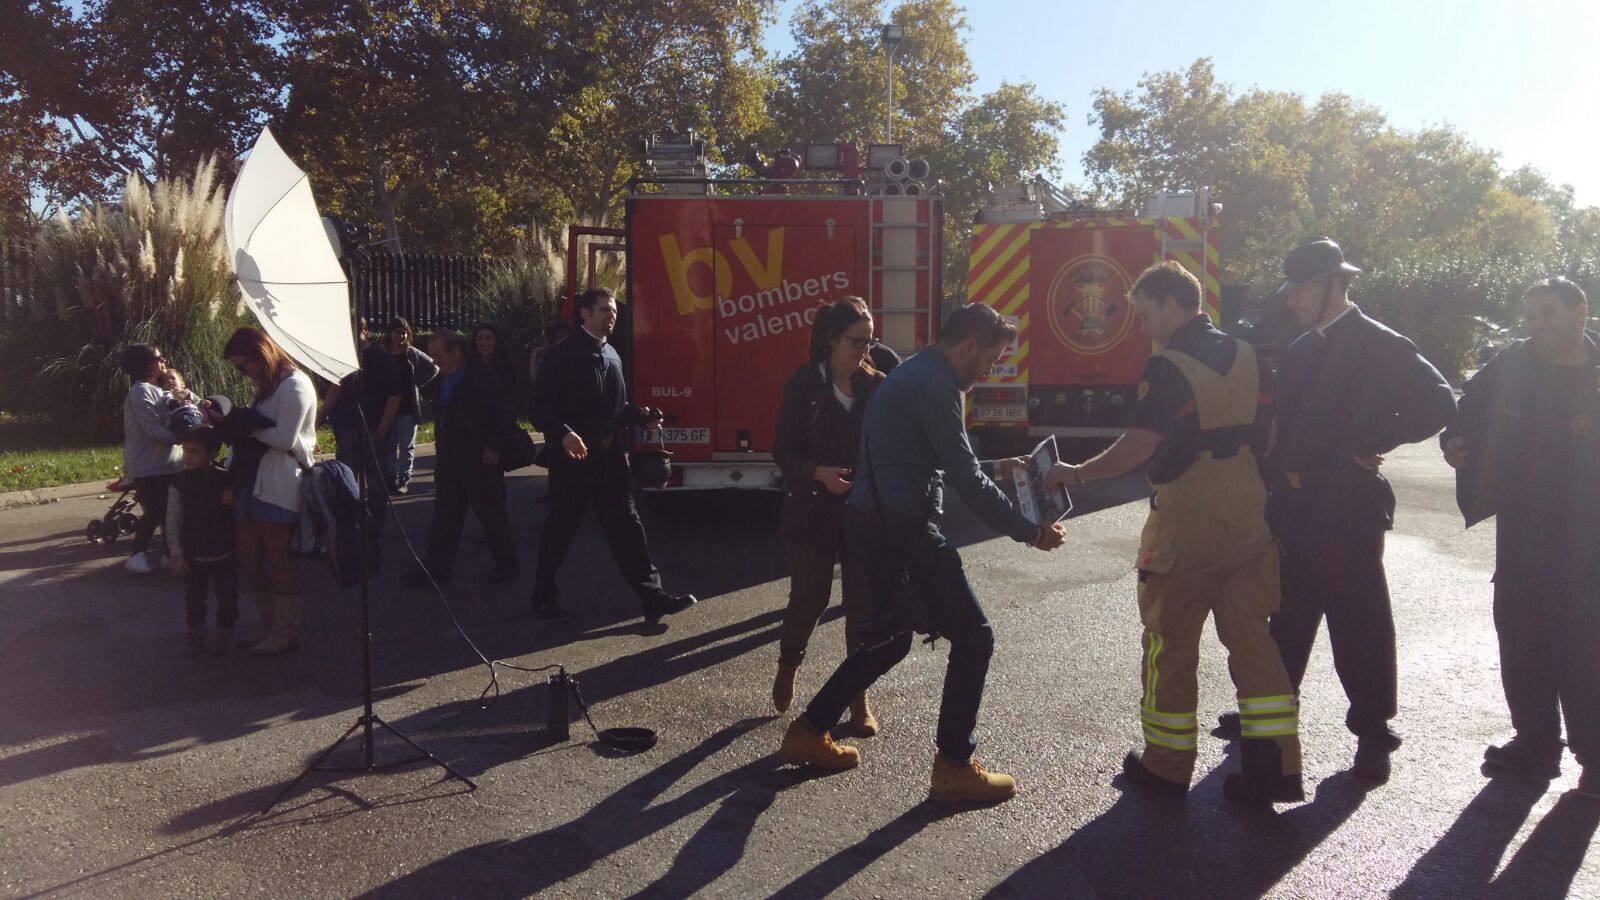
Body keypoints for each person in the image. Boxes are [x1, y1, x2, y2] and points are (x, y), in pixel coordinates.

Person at [776, 303, 1067, 805]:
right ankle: (954, 765)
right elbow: (964, 479)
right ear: (969, 346)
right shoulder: (936, 385)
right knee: (975, 638)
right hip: (901, 528)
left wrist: (1001, 466)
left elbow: (934, 462)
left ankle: (809, 730)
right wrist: (1031, 532)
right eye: (991, 358)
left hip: (875, 522)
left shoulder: (914, 372)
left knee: (890, 642)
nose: (990, 369)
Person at [1043, 262, 1303, 805]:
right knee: (1256, 643)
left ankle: (1165, 768)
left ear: (1171, 304)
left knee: (1170, 643)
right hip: (1251, 512)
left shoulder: (1167, 365)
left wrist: (1078, 473)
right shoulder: (1251, 354)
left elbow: (1139, 445)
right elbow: (1273, 431)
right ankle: (1276, 768)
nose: (1143, 327)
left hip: (1189, 517)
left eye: (1144, 315)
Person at [1252, 237, 1456, 783]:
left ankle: (1372, 733)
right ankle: (1270, 726)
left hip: (1347, 509)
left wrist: (1367, 442)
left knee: (1358, 626)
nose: (1292, 301)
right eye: (1290, 291)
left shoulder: (1379, 343)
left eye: (1301, 291)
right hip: (1295, 509)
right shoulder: (1298, 350)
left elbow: (1439, 402)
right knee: (1286, 619)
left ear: (1333, 286)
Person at [1442, 277, 1599, 798]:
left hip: (1588, 534)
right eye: (1531, 316)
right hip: (1524, 526)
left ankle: (1595, 755)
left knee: (1584, 642)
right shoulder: (1513, 362)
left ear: (1582, 311)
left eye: (1549, 314)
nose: (1538, 326)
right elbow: (1466, 412)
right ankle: (1535, 745)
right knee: (1521, 631)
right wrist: (1456, 443)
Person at [528, 287, 696, 625]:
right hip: (573, 460)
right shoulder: (562, 356)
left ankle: (653, 598)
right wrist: (563, 434)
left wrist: (642, 414)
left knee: (628, 528)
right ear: (585, 314)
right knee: (561, 529)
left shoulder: (612, 355)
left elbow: (616, 409)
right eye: (604, 309)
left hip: (609, 459)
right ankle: (543, 596)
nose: (612, 314)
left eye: (614, 309)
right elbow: (537, 407)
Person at [771, 297, 886, 735]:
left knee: (862, 610)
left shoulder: (877, 386)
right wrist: (817, 472)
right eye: (856, 340)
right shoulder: (804, 384)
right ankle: (788, 664)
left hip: (861, 514)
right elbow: (783, 451)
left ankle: (858, 699)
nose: (864, 348)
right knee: (810, 600)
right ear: (832, 339)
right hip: (811, 510)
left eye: (869, 340)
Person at [225, 327, 318, 656]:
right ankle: (269, 626)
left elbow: (284, 439)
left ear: (260, 355)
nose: (242, 372)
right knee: (249, 554)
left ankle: (285, 631)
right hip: (253, 479)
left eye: (243, 365)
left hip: (281, 480)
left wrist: (246, 426)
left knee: (278, 555)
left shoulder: (295, 385)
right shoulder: (266, 386)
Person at [401, 330, 520, 586]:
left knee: (491, 515)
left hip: (478, 457)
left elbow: (502, 412)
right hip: (451, 459)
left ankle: (507, 564)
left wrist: (494, 446)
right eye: (432, 356)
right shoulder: (443, 377)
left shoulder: (479, 374)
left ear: (456, 351)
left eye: (439, 355)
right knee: (445, 518)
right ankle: (436, 571)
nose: (436, 360)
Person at [319, 316, 402, 558]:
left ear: (362, 330)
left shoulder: (380, 357)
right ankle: (350, 531)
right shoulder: (343, 356)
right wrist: (321, 415)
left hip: (373, 428)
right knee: (345, 481)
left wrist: (382, 430)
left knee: (375, 484)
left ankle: (374, 532)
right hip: (346, 427)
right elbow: (336, 387)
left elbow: (394, 396)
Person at [165, 425, 238, 657]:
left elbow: (237, 515)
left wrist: (233, 499)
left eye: (195, 451)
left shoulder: (225, 479)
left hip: (224, 551)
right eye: (185, 450)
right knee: (194, 598)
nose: (188, 456)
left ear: (212, 453)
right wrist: (176, 554)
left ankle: (224, 634)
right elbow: (172, 521)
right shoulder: (179, 482)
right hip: (193, 553)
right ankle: (196, 635)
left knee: (228, 596)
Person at [120, 344, 185, 574]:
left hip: (168, 464)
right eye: (159, 358)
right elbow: (152, 428)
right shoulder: (140, 392)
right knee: (156, 509)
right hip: (149, 466)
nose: (163, 361)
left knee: (171, 510)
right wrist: (183, 437)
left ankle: (170, 552)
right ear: (145, 365)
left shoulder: (159, 390)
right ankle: (137, 553)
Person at [382, 316, 439, 494]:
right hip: (388, 407)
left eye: (404, 332)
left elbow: (433, 367)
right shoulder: (384, 353)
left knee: (407, 445)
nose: (401, 335)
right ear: (390, 334)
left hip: (407, 407)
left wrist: (418, 382)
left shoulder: (412, 353)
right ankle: (389, 477)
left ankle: (404, 478)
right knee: (389, 445)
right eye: (398, 332)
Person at [156, 368, 205, 436]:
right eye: (165, 381)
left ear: (182, 384)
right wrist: (178, 403)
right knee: (188, 433)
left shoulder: (188, 392)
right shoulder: (168, 393)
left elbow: (198, 401)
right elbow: (168, 401)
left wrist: (204, 402)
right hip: (180, 419)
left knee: (202, 431)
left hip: (197, 417)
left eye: (173, 378)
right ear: (163, 386)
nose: (169, 381)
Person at [472, 322, 517, 394]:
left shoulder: (506, 370)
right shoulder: (469, 368)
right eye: (480, 338)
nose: (483, 342)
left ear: (496, 341)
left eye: (488, 338)